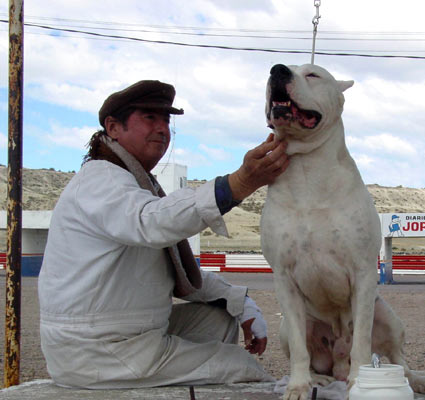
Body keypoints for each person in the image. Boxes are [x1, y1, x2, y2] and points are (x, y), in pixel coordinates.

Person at [38, 80, 289, 389]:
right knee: (240, 366)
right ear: (113, 127)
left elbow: (178, 272)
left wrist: (243, 304)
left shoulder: (136, 185)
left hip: (124, 335)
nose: (162, 129)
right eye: (150, 118)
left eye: (166, 120)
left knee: (219, 319)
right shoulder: (101, 180)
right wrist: (238, 184)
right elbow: (152, 223)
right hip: (96, 348)